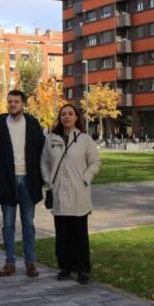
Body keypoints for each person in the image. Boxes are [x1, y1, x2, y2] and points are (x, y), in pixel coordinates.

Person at [0, 90, 46, 277]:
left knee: (28, 223)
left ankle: (30, 263)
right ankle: (9, 262)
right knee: (8, 224)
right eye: (10, 101)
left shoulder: (33, 125)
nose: (12, 104)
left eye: (16, 101)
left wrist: (41, 179)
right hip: (7, 182)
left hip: (29, 181)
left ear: (23, 104)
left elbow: (43, 152)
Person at [41, 104, 101, 284]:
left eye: (70, 114)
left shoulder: (84, 139)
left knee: (80, 234)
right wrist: (48, 180)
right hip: (59, 191)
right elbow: (44, 162)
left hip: (78, 192)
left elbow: (95, 162)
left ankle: (83, 269)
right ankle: (65, 268)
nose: (66, 117)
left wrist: (85, 178)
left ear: (76, 117)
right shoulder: (51, 139)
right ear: (59, 118)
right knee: (62, 234)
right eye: (63, 114)